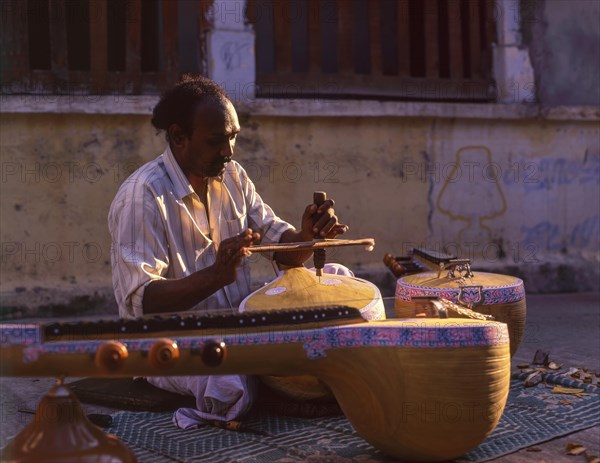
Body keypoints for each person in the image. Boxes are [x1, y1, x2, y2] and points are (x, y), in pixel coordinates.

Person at [108, 74, 349, 427]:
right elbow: (142, 301)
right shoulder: (142, 196)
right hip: (169, 342)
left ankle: (275, 377)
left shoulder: (232, 175)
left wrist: (307, 237)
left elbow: (282, 250)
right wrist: (217, 276)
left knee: (336, 281)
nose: (229, 151)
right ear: (179, 137)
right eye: (216, 140)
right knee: (224, 378)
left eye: (233, 138)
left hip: (241, 324)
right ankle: (277, 387)